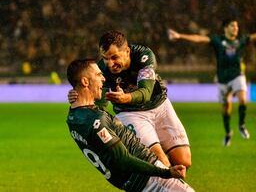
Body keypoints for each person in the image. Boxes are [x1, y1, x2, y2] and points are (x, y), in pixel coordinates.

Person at [66, 59, 194, 192]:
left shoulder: (73, 118)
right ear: (85, 81)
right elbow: (123, 159)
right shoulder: (97, 120)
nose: (103, 79)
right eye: (98, 75)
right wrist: (167, 173)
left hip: (131, 184)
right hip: (150, 178)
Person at [69, 30, 191, 168]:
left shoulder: (143, 56)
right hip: (130, 113)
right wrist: (80, 98)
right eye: (105, 58)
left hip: (160, 105)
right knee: (161, 162)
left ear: (127, 51)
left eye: (114, 57)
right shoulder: (102, 69)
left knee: (184, 162)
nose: (109, 64)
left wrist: (126, 97)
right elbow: (99, 104)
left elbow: (145, 93)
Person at [168, 19, 256, 146]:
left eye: (237, 26)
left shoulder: (241, 40)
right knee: (226, 108)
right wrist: (180, 36)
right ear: (225, 28)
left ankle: (241, 125)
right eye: (232, 26)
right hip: (223, 79)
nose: (236, 28)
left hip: (237, 76)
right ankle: (228, 132)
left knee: (242, 99)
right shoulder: (218, 40)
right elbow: (199, 38)